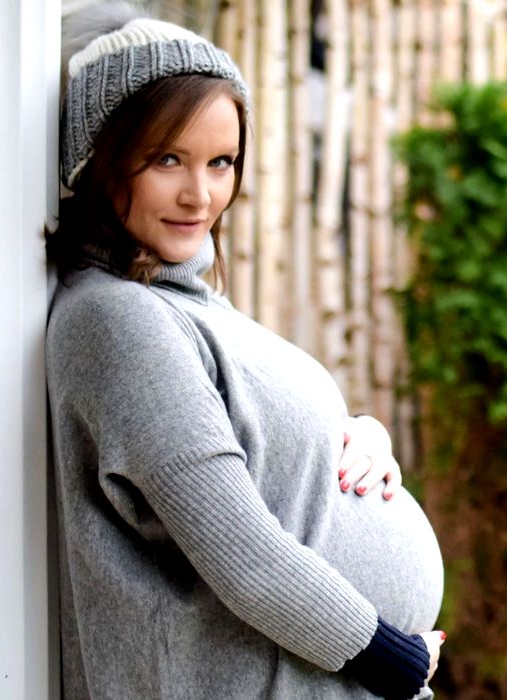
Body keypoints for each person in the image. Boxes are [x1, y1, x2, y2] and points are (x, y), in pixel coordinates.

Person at [46, 4, 445, 698]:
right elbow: (241, 553)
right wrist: (396, 661)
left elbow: (271, 458)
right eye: (167, 159)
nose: (199, 195)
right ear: (100, 158)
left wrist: (358, 437)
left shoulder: (185, 303)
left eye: (221, 162)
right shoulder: (114, 319)